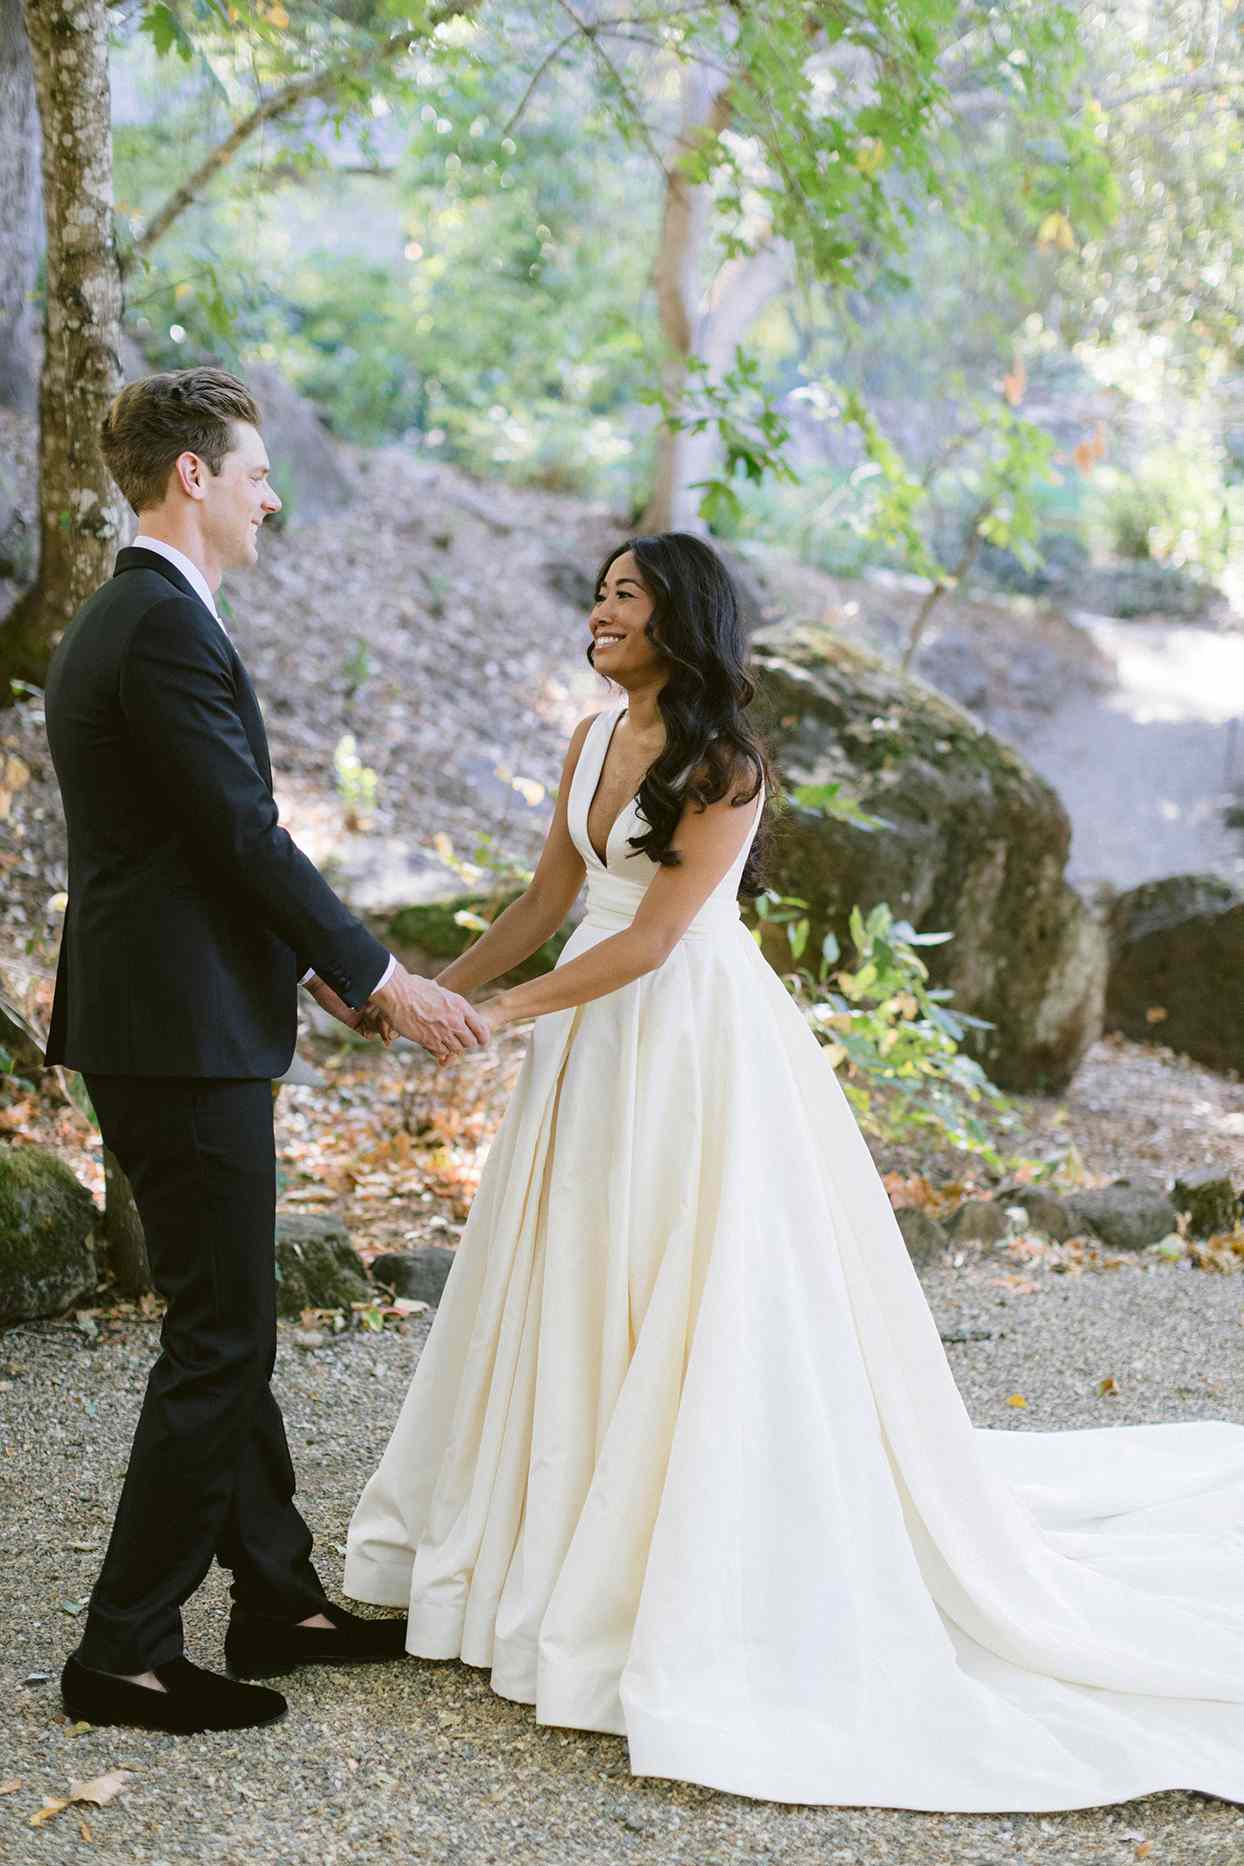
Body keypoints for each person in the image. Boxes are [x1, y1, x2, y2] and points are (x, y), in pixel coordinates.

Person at [346, 530, 1244, 1811]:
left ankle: (663, 1556)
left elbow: (654, 940)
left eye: (626, 597)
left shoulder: (725, 765)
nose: (600, 612)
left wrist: (502, 1019)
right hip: (583, 1043)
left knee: (677, 1270)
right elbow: (550, 897)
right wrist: (431, 993)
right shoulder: (591, 740)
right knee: (572, 1271)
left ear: (683, 622)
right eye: (596, 593)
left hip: (683, 1041)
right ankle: (543, 1537)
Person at [44, 367, 489, 1736]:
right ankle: (123, 1646)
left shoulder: (141, 617)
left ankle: (278, 1595)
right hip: (176, 1034)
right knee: (224, 1331)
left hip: (174, 1015)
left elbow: (196, 842)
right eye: (253, 470)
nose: (271, 492)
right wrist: (378, 972)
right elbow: (242, 831)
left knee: (219, 1316)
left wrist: (315, 964)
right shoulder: (158, 625)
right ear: (193, 476)